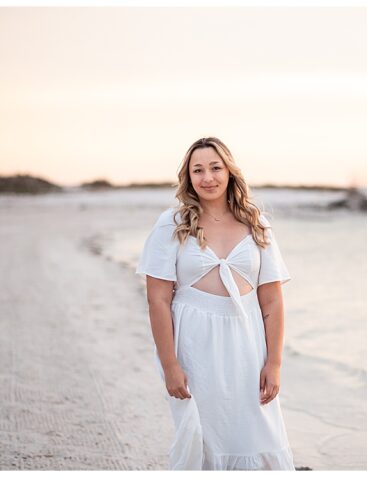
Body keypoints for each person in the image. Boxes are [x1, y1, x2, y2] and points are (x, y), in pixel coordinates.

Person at [136, 137, 294, 470]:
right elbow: (158, 299)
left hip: (248, 347)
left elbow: (272, 301)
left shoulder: (256, 224)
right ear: (188, 177)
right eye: (198, 170)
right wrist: (170, 365)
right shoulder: (172, 223)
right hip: (194, 347)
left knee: (259, 436)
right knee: (202, 438)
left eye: (215, 168)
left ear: (229, 171)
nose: (208, 177)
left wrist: (274, 363)